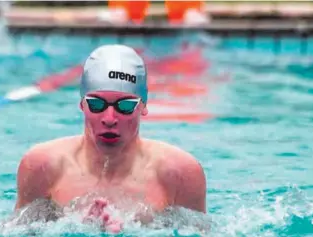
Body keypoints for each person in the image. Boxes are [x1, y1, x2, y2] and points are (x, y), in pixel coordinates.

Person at [14, 44, 207, 233]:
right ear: (82, 104)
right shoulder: (43, 166)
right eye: (96, 104)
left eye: (124, 106)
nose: (109, 119)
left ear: (143, 105)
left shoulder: (180, 173)